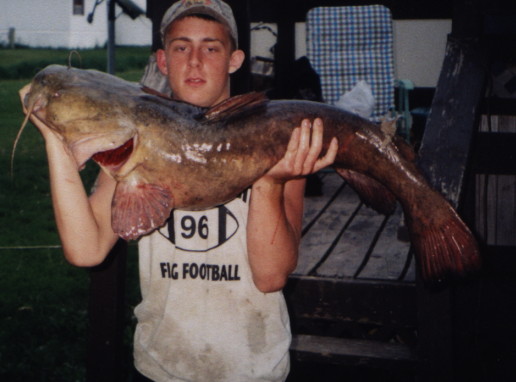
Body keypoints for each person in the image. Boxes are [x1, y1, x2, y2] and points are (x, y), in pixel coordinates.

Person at [20, 1, 338, 381]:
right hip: (161, 366)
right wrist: (55, 137)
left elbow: (271, 278)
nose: (195, 60)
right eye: (181, 46)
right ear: (163, 60)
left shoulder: (279, 144)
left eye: (212, 47)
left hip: (253, 367)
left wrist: (269, 180)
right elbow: (86, 249)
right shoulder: (129, 147)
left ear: (234, 59)